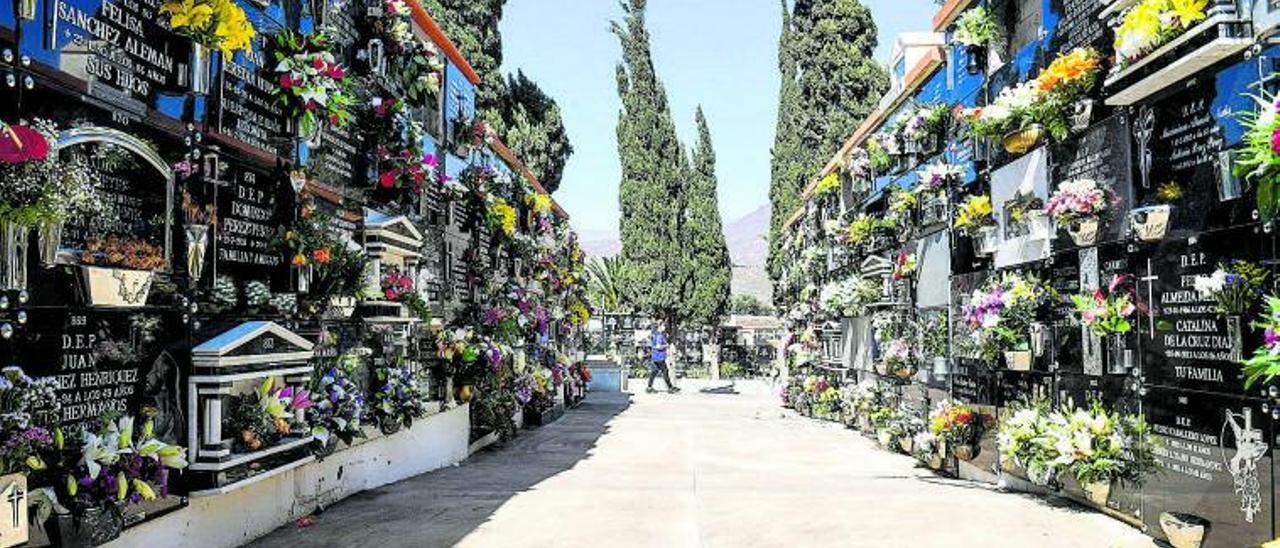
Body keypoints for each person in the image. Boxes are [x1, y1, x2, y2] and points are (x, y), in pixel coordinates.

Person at [647, 321, 679, 394]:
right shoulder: (659, 336)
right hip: (659, 357)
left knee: (654, 372)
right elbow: (658, 346)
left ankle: (649, 387)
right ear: (660, 326)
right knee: (665, 372)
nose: (665, 328)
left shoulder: (655, 334)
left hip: (655, 356)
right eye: (664, 326)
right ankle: (670, 388)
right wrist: (666, 345)